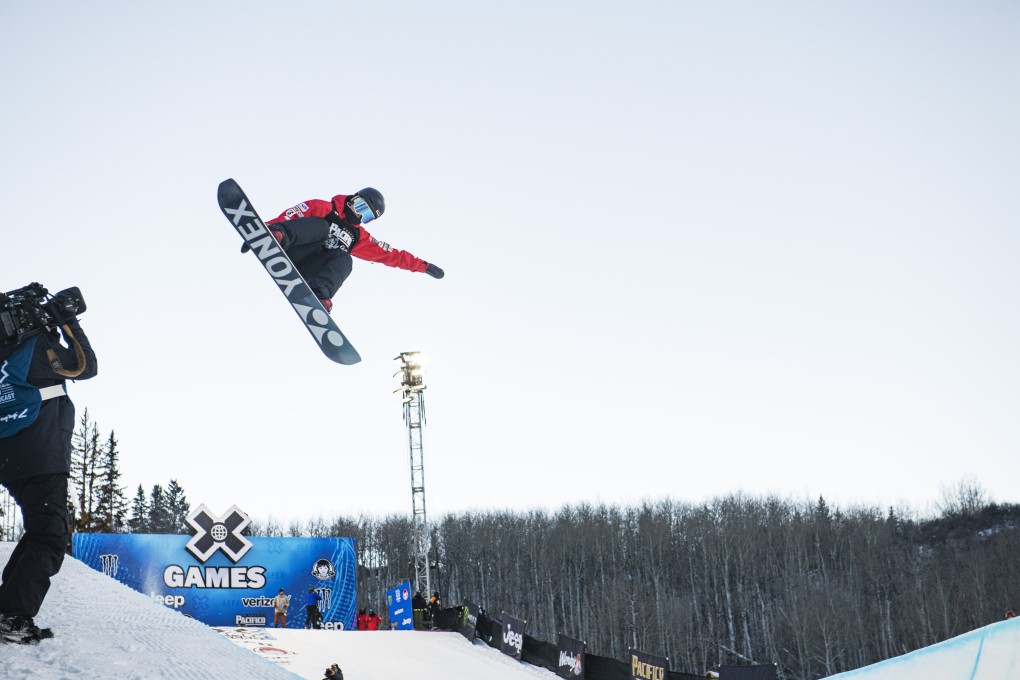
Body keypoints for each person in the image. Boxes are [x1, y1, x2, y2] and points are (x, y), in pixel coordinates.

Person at [0, 290, 97, 644]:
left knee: (40, 529)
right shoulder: (38, 349)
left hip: (11, 456)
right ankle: (13, 615)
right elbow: (85, 366)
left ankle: (8, 608)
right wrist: (64, 321)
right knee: (50, 536)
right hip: (41, 451)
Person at [241, 188, 445, 313]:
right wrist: (262, 231)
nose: (359, 215)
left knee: (346, 259)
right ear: (353, 198)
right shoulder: (325, 208)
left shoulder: (359, 238)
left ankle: (319, 296)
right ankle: (277, 237)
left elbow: (391, 255)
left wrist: (423, 267)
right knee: (322, 227)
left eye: (367, 216)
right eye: (361, 206)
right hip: (292, 249)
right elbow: (291, 215)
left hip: (309, 271)